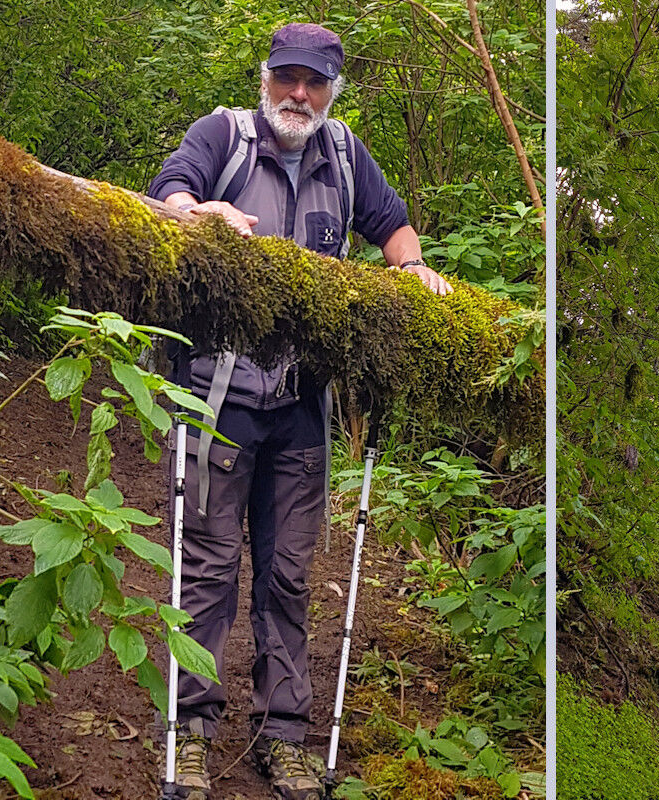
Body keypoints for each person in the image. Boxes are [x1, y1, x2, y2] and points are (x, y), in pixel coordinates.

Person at [148, 22, 451, 800]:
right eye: (287, 77)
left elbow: (392, 224)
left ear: (332, 90)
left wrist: (412, 267)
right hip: (216, 400)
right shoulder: (223, 135)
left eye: (314, 82)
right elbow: (169, 190)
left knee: (287, 578)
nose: (298, 94)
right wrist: (196, 213)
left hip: (300, 410)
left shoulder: (344, 153)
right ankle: (189, 730)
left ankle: (283, 737)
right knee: (208, 569)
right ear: (265, 77)